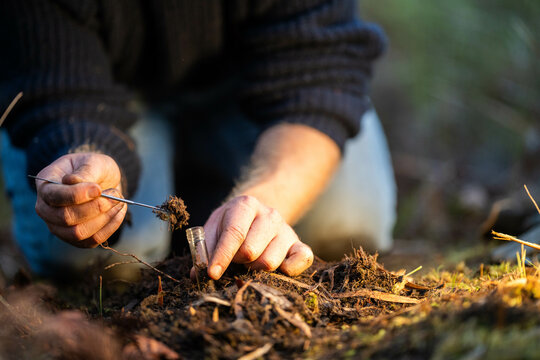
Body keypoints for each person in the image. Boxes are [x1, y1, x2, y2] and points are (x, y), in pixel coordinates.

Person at [0, 0, 395, 279]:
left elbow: (316, 80)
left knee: (347, 219)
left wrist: (266, 200)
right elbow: (57, 90)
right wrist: (84, 154)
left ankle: (206, 189)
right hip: (109, 97)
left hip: (248, 87)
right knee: (99, 261)